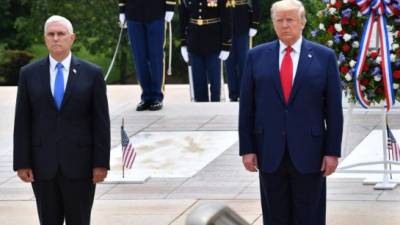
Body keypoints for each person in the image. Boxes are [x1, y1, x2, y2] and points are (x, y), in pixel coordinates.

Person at [238, 1, 343, 225]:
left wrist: (332, 151)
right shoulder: (256, 56)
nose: (285, 25)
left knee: (310, 216)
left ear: (302, 22)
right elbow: (247, 108)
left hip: (310, 153)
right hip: (269, 151)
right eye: (280, 20)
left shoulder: (324, 57)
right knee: (275, 216)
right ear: (273, 23)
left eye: (290, 20)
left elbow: (333, 111)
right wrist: (247, 149)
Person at [13, 15, 110, 225]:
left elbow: (100, 123)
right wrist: (22, 162)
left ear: (72, 38)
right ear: (45, 38)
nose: (56, 38)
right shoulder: (28, 74)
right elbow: (22, 121)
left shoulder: (92, 74)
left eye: (61, 34)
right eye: (51, 34)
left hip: (81, 167)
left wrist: (101, 163)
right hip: (43, 167)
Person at [119, 0, 176, 111]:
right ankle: (146, 95)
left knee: (156, 56)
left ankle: (156, 95)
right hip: (133, 12)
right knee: (139, 57)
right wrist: (122, 9)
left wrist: (170, 6)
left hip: (156, 11)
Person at [179, 0, 233, 102]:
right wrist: (183, 43)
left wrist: (226, 44)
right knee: (198, 82)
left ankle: (215, 107)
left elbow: (227, 18)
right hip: (194, 41)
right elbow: (183, 17)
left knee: (215, 83)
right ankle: (200, 110)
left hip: (213, 41)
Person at [224, 0, 260, 102]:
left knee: (243, 61)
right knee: (229, 62)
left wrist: (254, 23)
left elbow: (256, 3)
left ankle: (244, 92)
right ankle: (233, 93)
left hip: (243, 21)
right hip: (226, 22)